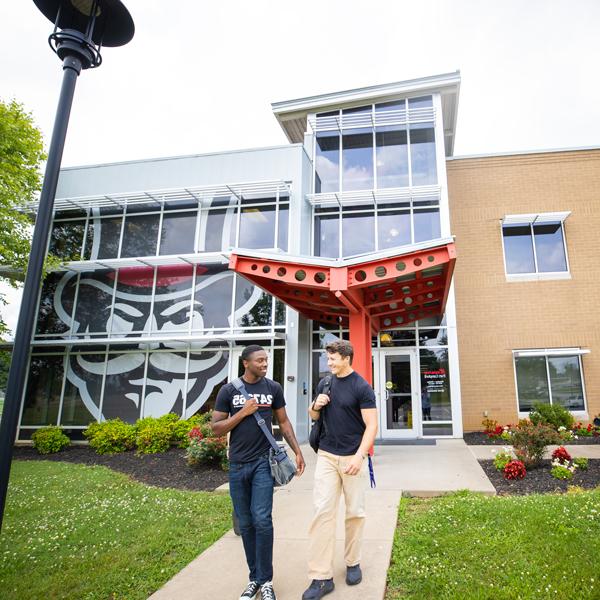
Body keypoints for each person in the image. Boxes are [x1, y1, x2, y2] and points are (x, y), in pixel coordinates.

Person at [212, 344, 305, 600]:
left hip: (264, 463)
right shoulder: (229, 390)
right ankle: (254, 578)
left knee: (262, 520)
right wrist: (243, 412)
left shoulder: (272, 388)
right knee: (246, 522)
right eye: (260, 361)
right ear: (246, 363)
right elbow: (217, 428)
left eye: (266, 360)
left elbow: (283, 421)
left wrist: (297, 451)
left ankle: (266, 582)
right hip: (237, 466)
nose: (265, 364)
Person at [302, 340, 378, 600]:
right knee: (322, 512)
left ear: (347, 358)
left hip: (352, 459)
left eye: (333, 359)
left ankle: (353, 561)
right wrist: (315, 406)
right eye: (328, 359)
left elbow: (372, 425)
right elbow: (313, 417)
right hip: (326, 455)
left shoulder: (361, 387)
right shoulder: (325, 383)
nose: (329, 363)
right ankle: (321, 577)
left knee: (355, 513)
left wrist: (359, 456)